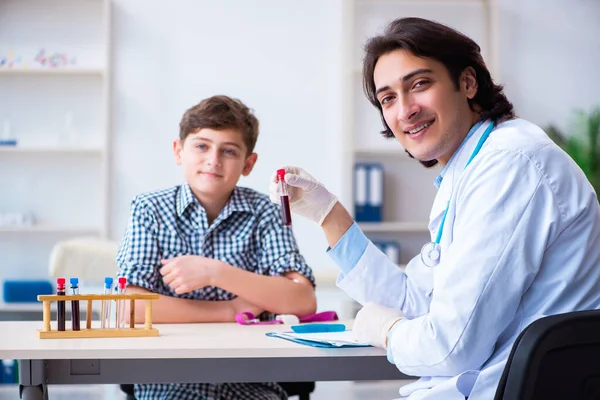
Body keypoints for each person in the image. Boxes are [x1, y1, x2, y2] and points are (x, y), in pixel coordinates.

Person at [269, 17, 600, 400]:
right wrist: (330, 215)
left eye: (420, 84)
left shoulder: (511, 164)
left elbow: (451, 345)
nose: (405, 110)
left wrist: (389, 332)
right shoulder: (469, 169)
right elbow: (416, 302)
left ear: (468, 83)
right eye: (388, 98)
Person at [116, 95, 316, 400]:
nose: (213, 160)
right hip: (168, 386)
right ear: (178, 151)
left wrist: (216, 272)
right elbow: (130, 307)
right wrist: (230, 309)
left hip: (252, 386)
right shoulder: (149, 209)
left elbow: (302, 300)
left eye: (229, 151)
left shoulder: (266, 211)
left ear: (248, 163)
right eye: (201, 146)